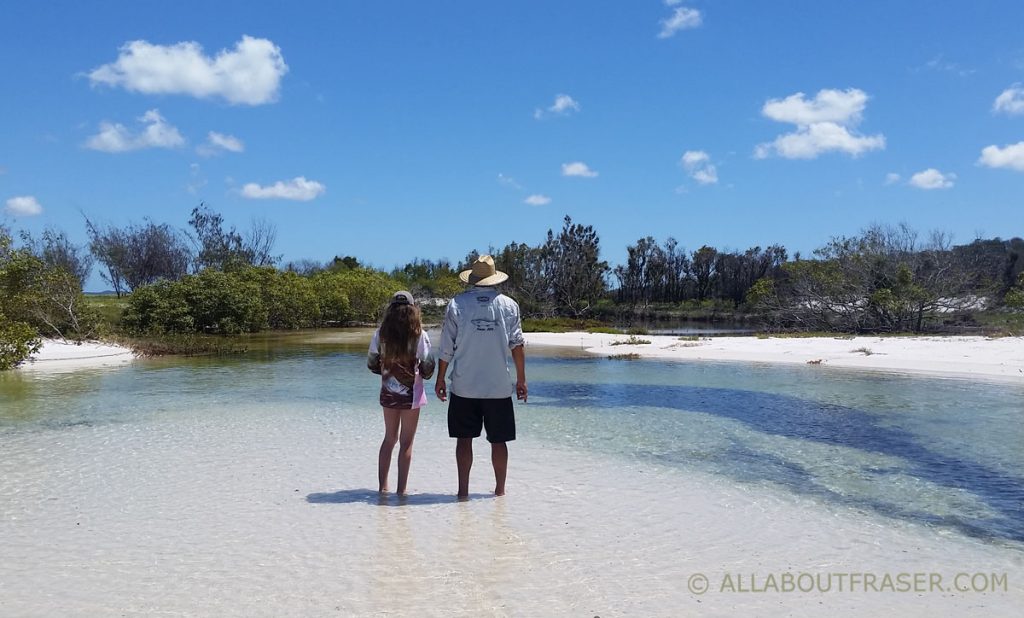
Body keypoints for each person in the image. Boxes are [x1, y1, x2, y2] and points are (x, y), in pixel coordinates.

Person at [435, 255, 526, 498]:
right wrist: (521, 380)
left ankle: (462, 492)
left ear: (472, 278)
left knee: (464, 439)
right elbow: (517, 345)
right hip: (498, 386)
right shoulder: (509, 305)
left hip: (464, 385)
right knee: (499, 441)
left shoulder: (457, 304)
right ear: (494, 278)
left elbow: (446, 347)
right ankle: (500, 492)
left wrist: (441, 378)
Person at [367, 291, 435, 495]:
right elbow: (429, 367)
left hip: (388, 393)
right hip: (411, 395)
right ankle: (401, 491)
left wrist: (387, 372)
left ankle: (382, 488)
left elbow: (371, 363)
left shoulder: (380, 334)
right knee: (406, 442)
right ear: (414, 309)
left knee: (389, 439)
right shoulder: (419, 335)